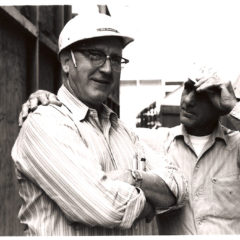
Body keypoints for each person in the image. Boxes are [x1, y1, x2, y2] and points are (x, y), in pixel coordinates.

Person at [11, 10, 187, 236]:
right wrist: (150, 204)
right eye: (95, 55)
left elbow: (180, 186)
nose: (106, 68)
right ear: (66, 62)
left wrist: (133, 178)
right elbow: (105, 208)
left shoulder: (123, 131)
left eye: (115, 59)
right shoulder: (44, 122)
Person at [24, 65, 240, 235]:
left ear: (219, 103)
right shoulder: (155, 141)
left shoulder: (236, 146)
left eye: (202, 95)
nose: (189, 100)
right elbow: (102, 129)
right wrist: (51, 101)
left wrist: (234, 105)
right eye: (188, 89)